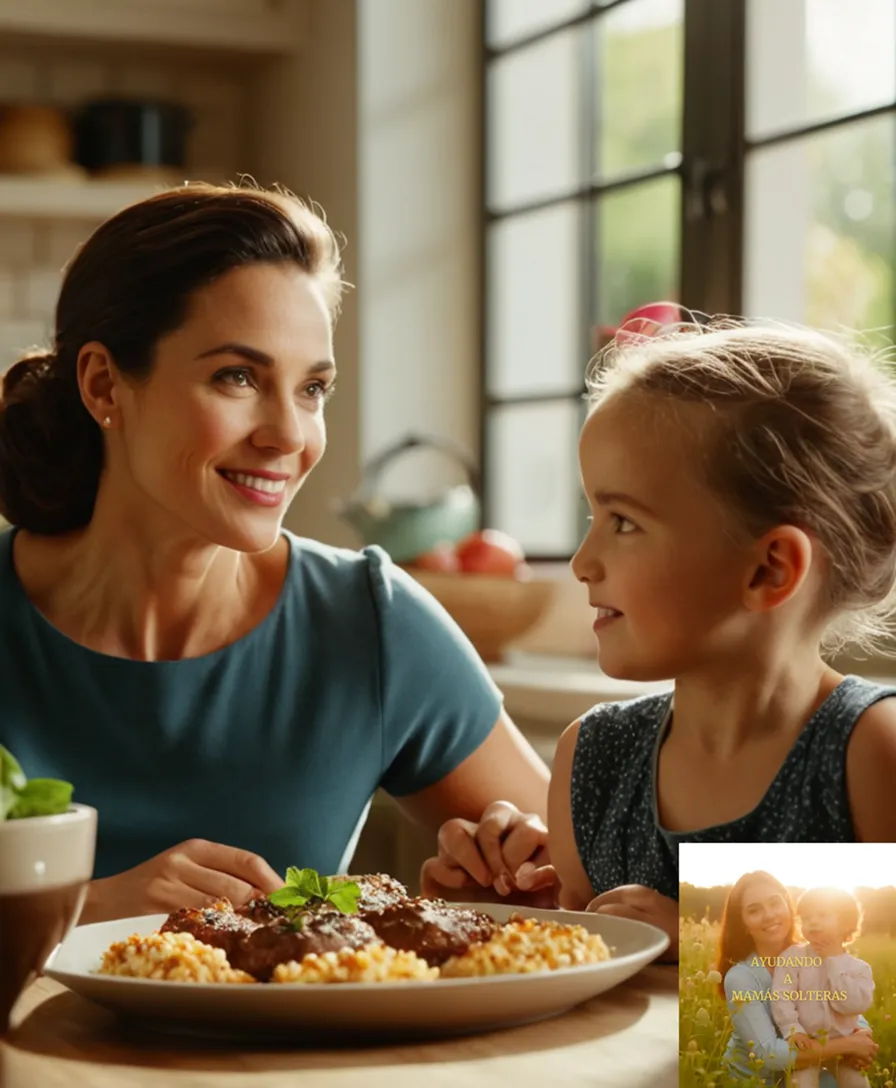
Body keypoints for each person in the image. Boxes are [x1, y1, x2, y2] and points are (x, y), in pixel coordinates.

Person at [0, 181, 550, 924]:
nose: (289, 436)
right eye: (238, 377)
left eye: (313, 388)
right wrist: (84, 909)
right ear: (104, 385)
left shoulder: (369, 623)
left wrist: (506, 887)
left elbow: (577, 883)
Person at [425, 320, 896, 955]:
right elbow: (604, 1006)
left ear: (769, 569)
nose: (582, 561)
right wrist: (511, 925)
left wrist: (703, 944)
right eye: (594, 516)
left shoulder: (870, 754)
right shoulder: (592, 759)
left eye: (623, 522)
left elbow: (874, 1009)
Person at [716, 872, 877, 1085]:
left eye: (775, 903)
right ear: (743, 923)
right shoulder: (740, 977)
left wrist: (862, 1033)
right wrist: (849, 1045)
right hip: (756, 1079)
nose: (769, 915)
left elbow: (842, 1004)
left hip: (811, 1064)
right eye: (754, 910)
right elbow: (768, 1053)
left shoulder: (816, 953)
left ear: (788, 906)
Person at [770, 886, 874, 1088]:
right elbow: (782, 997)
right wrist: (793, 1031)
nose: (813, 922)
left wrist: (832, 962)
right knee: (801, 1084)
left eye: (822, 915)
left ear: (846, 924)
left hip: (845, 1050)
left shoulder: (859, 969)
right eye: (807, 918)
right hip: (807, 1044)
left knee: (857, 1083)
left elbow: (853, 1005)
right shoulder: (793, 958)